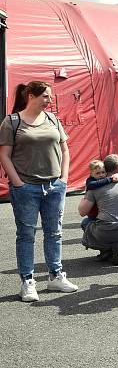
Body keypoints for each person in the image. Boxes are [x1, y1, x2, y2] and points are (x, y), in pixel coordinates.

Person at [0, 81, 78, 302]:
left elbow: (65, 148)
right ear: (31, 96)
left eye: (50, 96)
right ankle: (27, 281)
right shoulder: (12, 122)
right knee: (26, 235)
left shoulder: (53, 119)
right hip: (26, 188)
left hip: (54, 186)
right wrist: (18, 183)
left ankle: (55, 276)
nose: (49, 100)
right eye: (45, 96)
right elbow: (4, 154)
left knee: (54, 233)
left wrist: (64, 178)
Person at [79, 154, 118, 266]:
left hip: (104, 230)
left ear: (105, 167)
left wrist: (84, 196)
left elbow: (82, 212)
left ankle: (106, 249)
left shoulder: (94, 187)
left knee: (86, 222)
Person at [81, 159, 118, 232]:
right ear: (91, 174)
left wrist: (117, 175)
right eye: (97, 173)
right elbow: (91, 185)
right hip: (93, 213)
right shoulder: (90, 180)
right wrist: (110, 179)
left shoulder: (106, 178)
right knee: (85, 222)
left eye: (103, 172)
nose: (101, 175)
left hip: (105, 212)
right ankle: (91, 237)